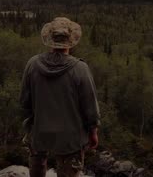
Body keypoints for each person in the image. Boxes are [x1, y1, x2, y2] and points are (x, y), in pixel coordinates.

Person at [20, 17, 100, 177]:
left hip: (39, 132)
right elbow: (90, 106)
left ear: (50, 39)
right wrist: (93, 132)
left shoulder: (33, 64)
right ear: (70, 41)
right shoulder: (80, 68)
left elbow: (24, 102)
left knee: (36, 167)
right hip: (70, 138)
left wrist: (30, 128)